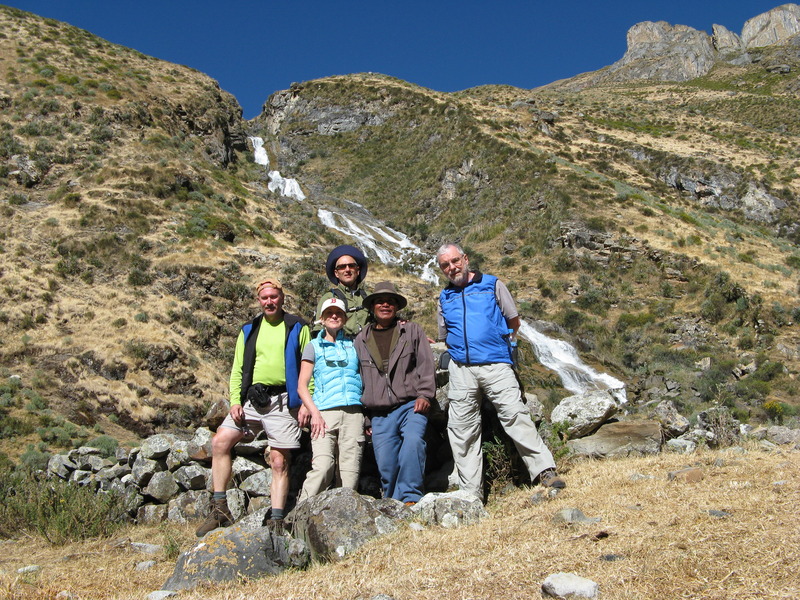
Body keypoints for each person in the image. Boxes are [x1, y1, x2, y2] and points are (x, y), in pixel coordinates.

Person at [435, 243, 565, 501]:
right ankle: (471, 496)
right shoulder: (444, 297)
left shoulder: (492, 285)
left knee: (515, 414)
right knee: (462, 430)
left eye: (455, 261)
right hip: (461, 369)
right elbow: (443, 336)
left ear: (465, 259)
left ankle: (545, 471)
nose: (452, 267)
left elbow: (513, 321)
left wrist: (499, 343)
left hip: (495, 363)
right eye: (445, 265)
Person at [196, 278, 310, 537]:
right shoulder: (249, 329)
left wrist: (306, 401)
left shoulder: (297, 326)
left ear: (282, 298)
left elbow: (308, 366)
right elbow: (237, 368)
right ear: (259, 300)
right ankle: (220, 509)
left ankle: (277, 521)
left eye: (274, 297)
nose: (269, 302)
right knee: (220, 442)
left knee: (279, 461)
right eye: (264, 298)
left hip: (284, 400)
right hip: (252, 401)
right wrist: (236, 401)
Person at [354, 282, 436, 505]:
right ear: (372, 307)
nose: (385, 305)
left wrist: (425, 395)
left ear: (397, 306)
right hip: (379, 413)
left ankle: (411, 497)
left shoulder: (412, 331)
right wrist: (366, 417)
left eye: (390, 301)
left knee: (413, 442)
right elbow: (358, 379)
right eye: (380, 301)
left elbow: (426, 364)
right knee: (386, 463)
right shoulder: (361, 339)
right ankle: (393, 503)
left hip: (410, 405)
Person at [297, 297, 365, 501]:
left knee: (350, 473)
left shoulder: (355, 344)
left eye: (338, 313)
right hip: (324, 414)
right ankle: (300, 512)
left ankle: (344, 516)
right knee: (323, 466)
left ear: (345, 318)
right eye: (329, 313)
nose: (334, 316)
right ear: (322, 318)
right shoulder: (313, 346)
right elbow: (302, 385)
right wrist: (314, 413)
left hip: (353, 413)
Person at [316, 245, 370, 337]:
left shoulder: (368, 297)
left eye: (351, 266)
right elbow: (318, 329)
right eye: (342, 267)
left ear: (358, 271)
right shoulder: (329, 297)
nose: (347, 269)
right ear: (336, 273)